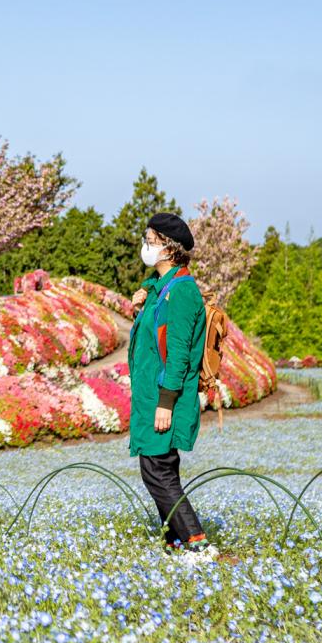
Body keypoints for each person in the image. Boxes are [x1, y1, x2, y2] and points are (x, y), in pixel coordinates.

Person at [126, 211, 215, 563]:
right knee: (160, 469)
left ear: (169, 248)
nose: (146, 246)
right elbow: (154, 295)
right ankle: (174, 544)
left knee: (158, 471)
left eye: (150, 241)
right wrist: (144, 292)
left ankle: (196, 541)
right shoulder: (162, 289)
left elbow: (178, 355)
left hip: (167, 400)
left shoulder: (181, 294)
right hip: (152, 397)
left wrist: (166, 402)